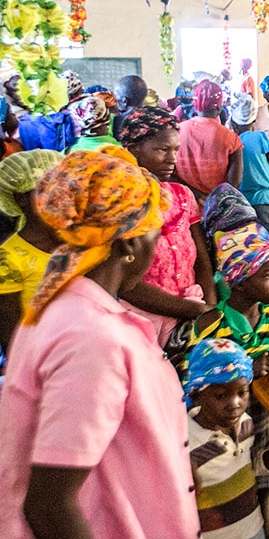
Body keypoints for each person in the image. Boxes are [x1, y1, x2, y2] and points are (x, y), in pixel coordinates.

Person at [0, 150, 202, 539]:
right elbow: (50, 505)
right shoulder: (91, 340)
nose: (159, 240)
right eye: (154, 229)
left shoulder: (60, 306)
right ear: (128, 246)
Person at [188, 222, 269, 530]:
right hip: (224, 418)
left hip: (264, 410)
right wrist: (251, 368)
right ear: (241, 282)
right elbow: (193, 380)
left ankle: (260, 520)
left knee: (262, 471)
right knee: (230, 472)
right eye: (268, 275)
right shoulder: (211, 325)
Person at [116, 110, 218, 346]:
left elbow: (202, 259)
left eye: (175, 149)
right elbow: (126, 282)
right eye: (162, 150)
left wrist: (209, 310)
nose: (172, 158)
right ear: (134, 149)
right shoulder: (124, 203)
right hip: (142, 321)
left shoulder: (183, 195)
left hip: (192, 315)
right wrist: (194, 311)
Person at [184, 338, 266, 539]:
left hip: (253, 529)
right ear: (196, 395)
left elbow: (246, 470)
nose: (235, 404)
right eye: (221, 396)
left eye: (242, 392)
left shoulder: (246, 423)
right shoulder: (185, 443)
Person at [0, 150, 63, 350]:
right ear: (22, 199)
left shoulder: (76, 244)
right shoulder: (9, 259)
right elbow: (11, 335)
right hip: (41, 360)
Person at [230, 92, 269, 248]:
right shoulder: (261, 137)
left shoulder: (233, 141)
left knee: (250, 248)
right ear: (254, 120)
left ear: (234, 123)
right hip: (265, 199)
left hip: (242, 203)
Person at [177, 80, 244, 198]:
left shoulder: (178, 131)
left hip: (184, 203)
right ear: (219, 108)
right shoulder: (231, 139)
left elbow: (171, 174)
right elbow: (234, 183)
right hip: (216, 206)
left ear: (195, 105)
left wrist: (197, 195)